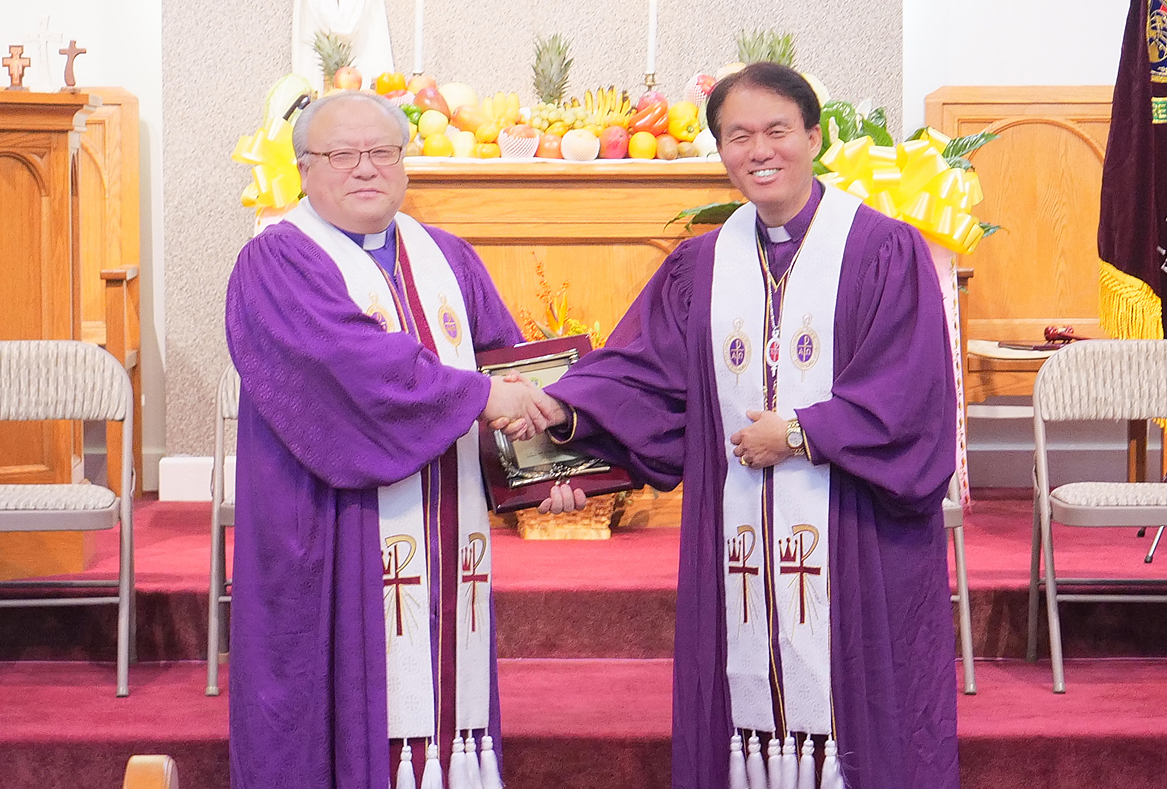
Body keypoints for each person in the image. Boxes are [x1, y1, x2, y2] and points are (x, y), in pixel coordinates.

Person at [537, 63, 959, 789]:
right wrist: (561, 420)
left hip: (856, 534)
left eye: (776, 131)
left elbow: (911, 393)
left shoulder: (881, 251)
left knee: (865, 712)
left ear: (813, 137)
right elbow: (644, 374)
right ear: (721, 151)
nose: (759, 150)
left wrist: (799, 433)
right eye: (738, 136)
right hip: (737, 534)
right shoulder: (701, 265)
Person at [225, 91, 550, 789]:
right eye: (342, 154)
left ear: (404, 163)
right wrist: (482, 397)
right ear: (304, 168)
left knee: (447, 680)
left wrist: (547, 469)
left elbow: (506, 369)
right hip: (331, 528)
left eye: (382, 152)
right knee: (334, 697)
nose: (365, 168)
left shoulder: (449, 259)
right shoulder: (277, 262)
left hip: (447, 524)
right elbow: (353, 370)